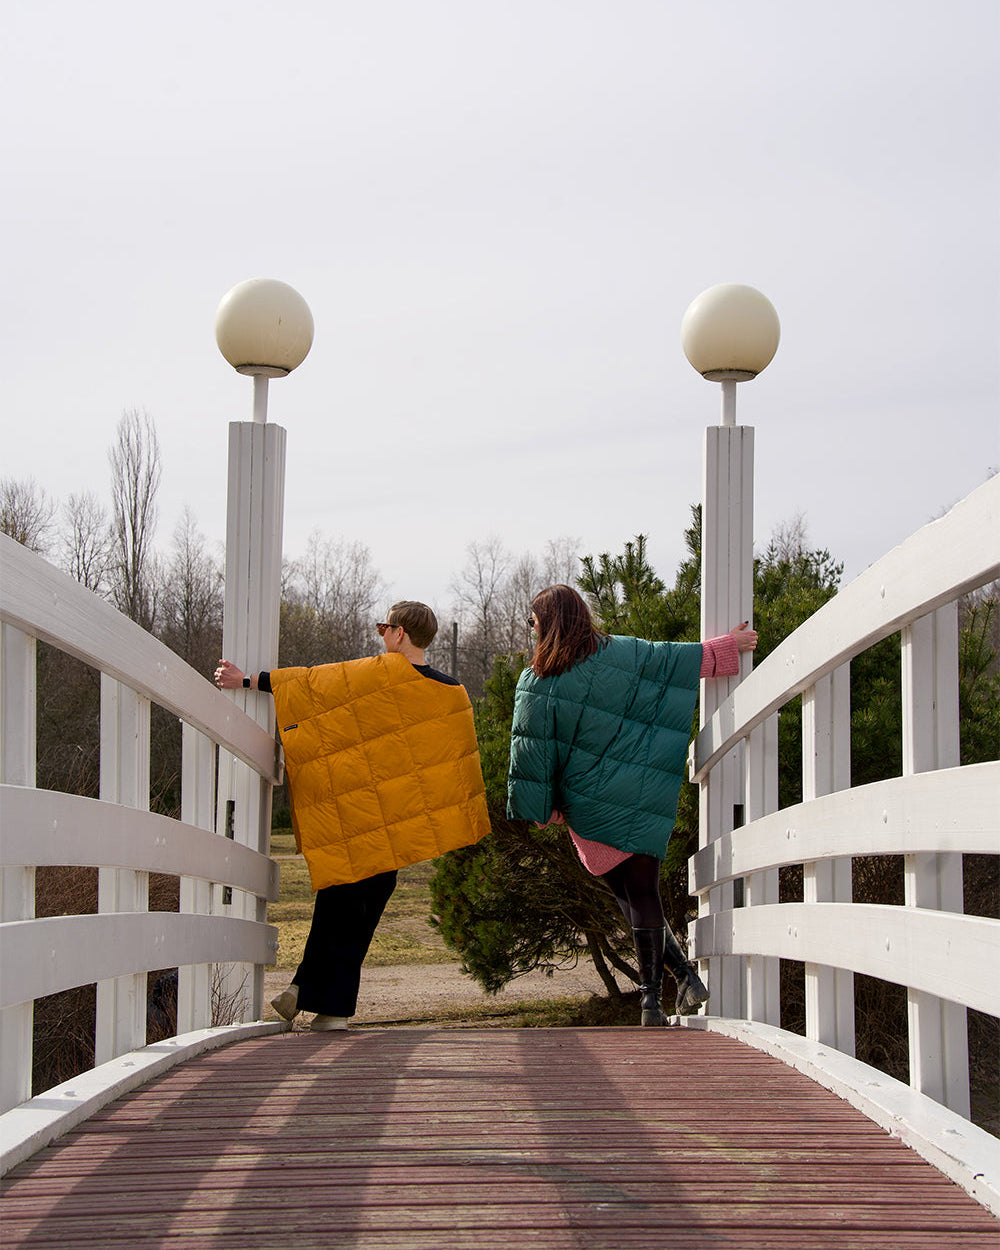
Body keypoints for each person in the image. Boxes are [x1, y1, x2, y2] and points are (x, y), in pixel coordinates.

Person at [215, 601, 490, 1032]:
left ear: (399, 634)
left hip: (354, 821)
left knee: (338, 906)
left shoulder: (373, 674)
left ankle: (314, 994)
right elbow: (455, 766)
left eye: (385, 627)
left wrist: (246, 680)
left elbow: (309, 684)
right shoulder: (451, 693)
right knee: (357, 914)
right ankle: (325, 1005)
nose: (382, 635)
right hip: (396, 831)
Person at [507, 584, 757, 1027]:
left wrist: (542, 809)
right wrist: (727, 648)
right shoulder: (623, 652)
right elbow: (675, 659)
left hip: (589, 809)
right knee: (642, 894)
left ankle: (657, 995)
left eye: (533, 621)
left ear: (548, 623)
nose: (532, 628)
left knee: (628, 896)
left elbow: (531, 756)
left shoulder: (538, 680)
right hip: (641, 797)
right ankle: (665, 990)